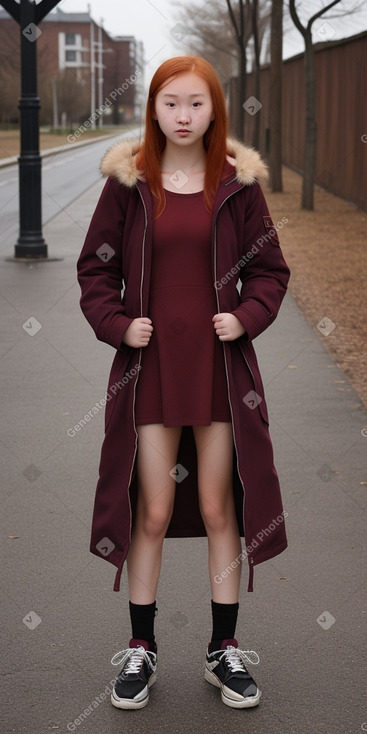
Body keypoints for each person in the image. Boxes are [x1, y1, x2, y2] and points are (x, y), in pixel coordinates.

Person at [77, 55, 290, 711]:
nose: (183, 116)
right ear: (153, 108)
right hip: (150, 374)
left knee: (220, 506)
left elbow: (269, 273)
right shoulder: (128, 182)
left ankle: (220, 651)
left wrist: (246, 317)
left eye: (195, 103)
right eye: (171, 103)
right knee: (155, 511)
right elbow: (94, 272)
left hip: (219, 375)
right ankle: (141, 650)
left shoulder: (238, 186)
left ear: (213, 109)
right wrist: (117, 325)